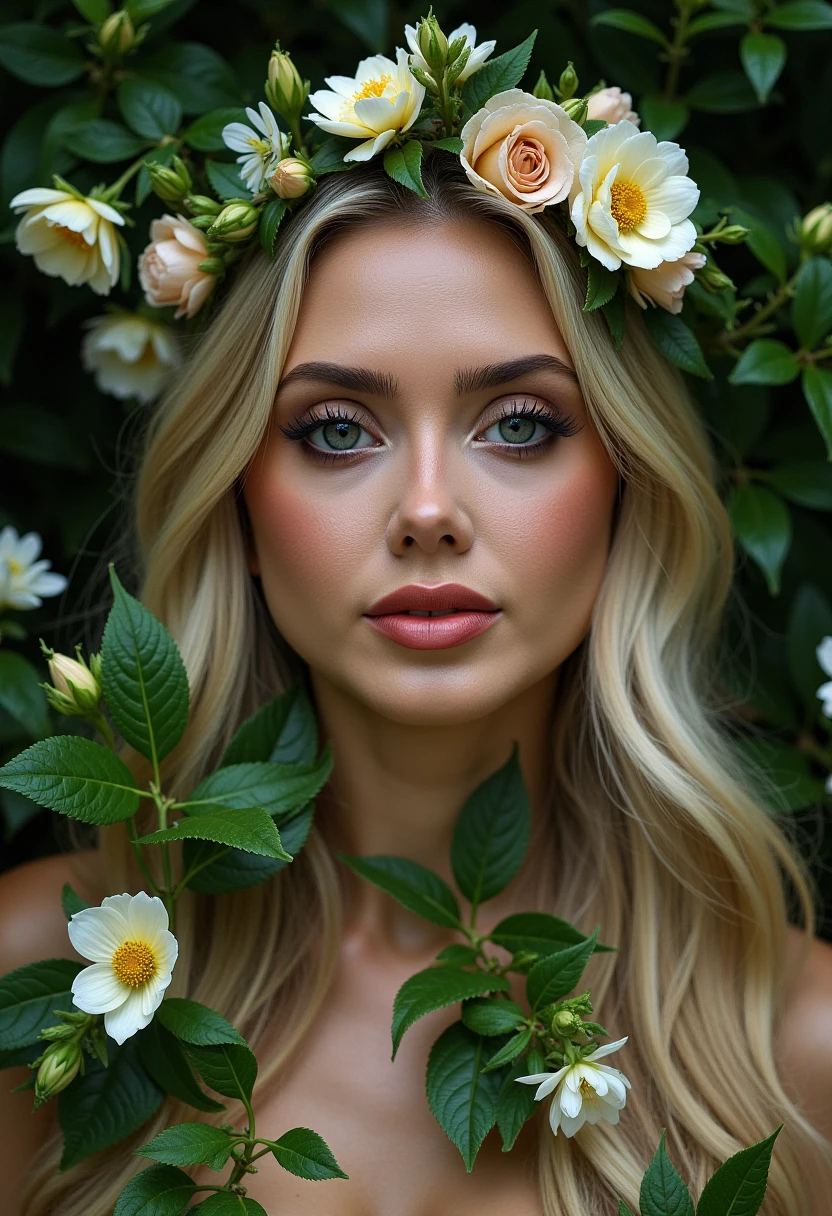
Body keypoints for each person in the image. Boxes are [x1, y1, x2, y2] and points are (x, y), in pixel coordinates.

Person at [2, 153, 832, 1216]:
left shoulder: (795, 1049)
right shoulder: (42, 980)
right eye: (338, 430)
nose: (428, 510)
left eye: (520, 423)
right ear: (237, 502)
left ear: (626, 484)